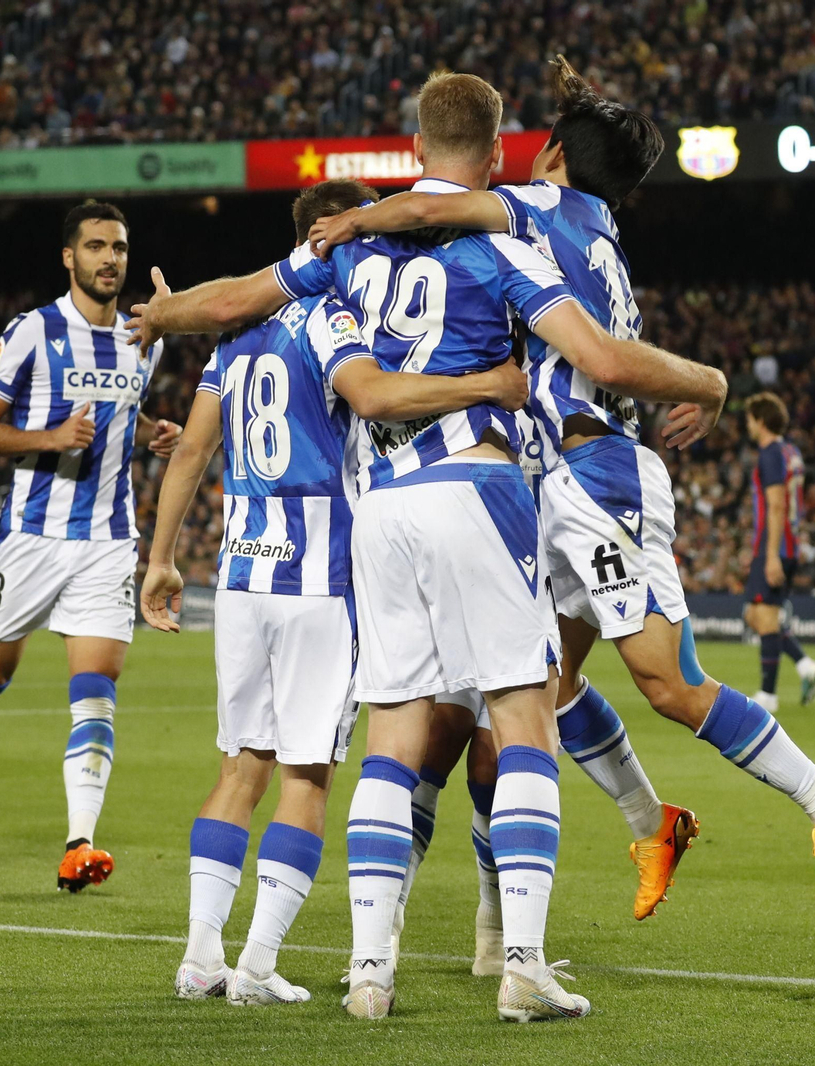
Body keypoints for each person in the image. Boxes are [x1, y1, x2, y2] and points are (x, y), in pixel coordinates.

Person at [129, 71, 726, 1023]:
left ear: (413, 151)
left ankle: (371, 972)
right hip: (478, 488)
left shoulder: (345, 256)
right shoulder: (510, 246)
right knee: (524, 718)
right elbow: (607, 363)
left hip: (382, 514)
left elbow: (235, 299)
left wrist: (159, 315)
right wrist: (709, 379)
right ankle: (523, 965)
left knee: (395, 740)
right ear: (495, 159)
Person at [309, 57, 815, 918]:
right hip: (557, 479)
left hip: (594, 478)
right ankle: (650, 823)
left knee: (669, 683)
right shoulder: (595, 230)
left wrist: (350, 220)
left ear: (553, 157)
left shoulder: (546, 209)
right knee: (543, 685)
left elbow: (428, 203)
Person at [140, 179, 528, 1007]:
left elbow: (190, 452)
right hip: (319, 574)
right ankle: (254, 967)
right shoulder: (332, 317)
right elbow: (375, 397)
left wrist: (162, 558)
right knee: (307, 778)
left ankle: (200, 956)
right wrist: (489, 385)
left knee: (239, 762)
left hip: (241, 568)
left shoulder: (236, 338)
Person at [0, 200, 181, 895]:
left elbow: (119, 411)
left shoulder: (147, 337)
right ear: (69, 258)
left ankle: (80, 842)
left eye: (119, 246)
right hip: (30, 539)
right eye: (96, 246)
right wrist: (49, 438)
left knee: (96, 691)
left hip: (109, 541)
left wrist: (150, 433)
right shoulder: (31, 332)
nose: (110, 258)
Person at [744, 392, 815, 713]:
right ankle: (805, 665)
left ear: (761, 420)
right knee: (755, 614)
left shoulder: (770, 454)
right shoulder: (791, 451)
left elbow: (776, 504)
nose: (748, 425)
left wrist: (773, 555)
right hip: (786, 542)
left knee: (764, 618)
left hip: (774, 545)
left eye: (750, 419)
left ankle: (768, 695)